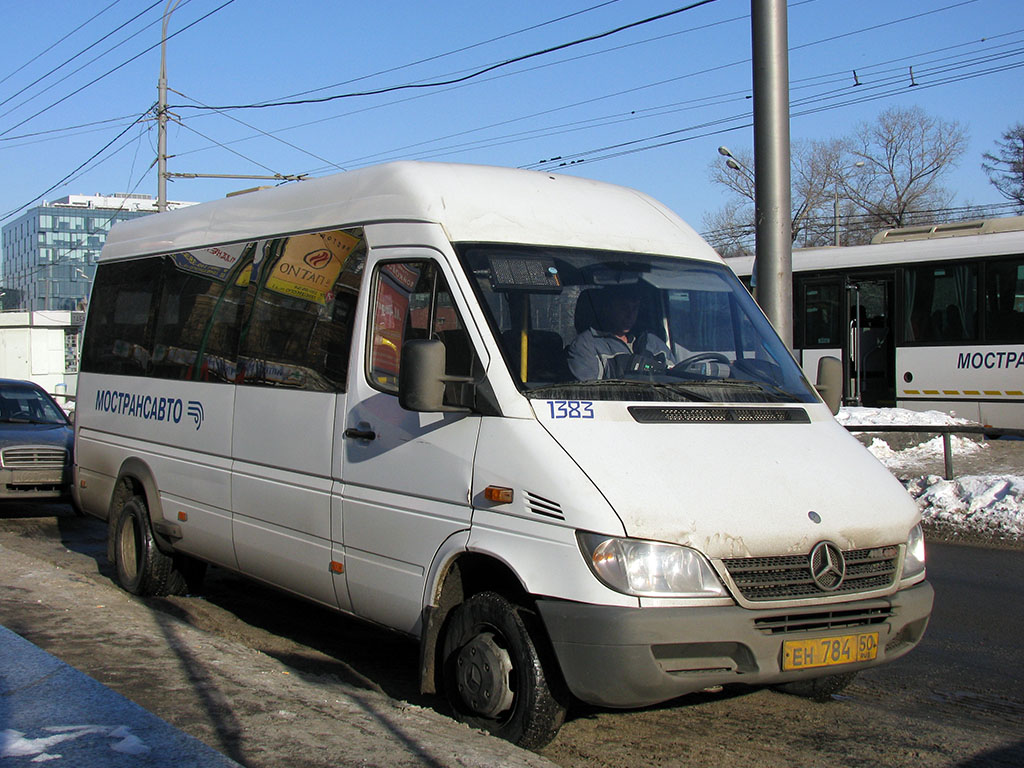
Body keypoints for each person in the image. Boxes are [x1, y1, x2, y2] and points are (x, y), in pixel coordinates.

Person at [566, 285, 674, 380]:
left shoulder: (653, 343)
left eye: (634, 308)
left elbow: (678, 377)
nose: (630, 315)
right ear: (608, 308)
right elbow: (589, 395)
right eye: (624, 308)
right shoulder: (586, 345)